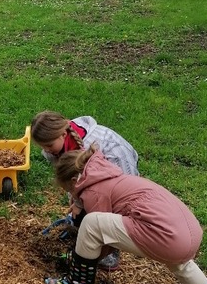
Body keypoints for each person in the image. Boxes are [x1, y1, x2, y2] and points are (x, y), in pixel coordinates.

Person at [47, 144, 207, 284]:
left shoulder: (93, 192)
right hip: (186, 234)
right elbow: (112, 232)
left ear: (75, 180)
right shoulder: (110, 176)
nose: (72, 195)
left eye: (69, 189)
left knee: (91, 224)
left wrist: (78, 259)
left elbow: (101, 240)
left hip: (167, 235)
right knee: (179, 261)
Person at [32, 110, 139, 270]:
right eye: (43, 146)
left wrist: (80, 203)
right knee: (82, 206)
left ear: (62, 134)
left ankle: (110, 250)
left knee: (101, 210)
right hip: (94, 174)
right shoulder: (64, 142)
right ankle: (82, 230)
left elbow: (90, 184)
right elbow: (73, 179)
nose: (47, 150)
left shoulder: (88, 147)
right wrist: (76, 201)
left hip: (117, 173)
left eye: (49, 145)